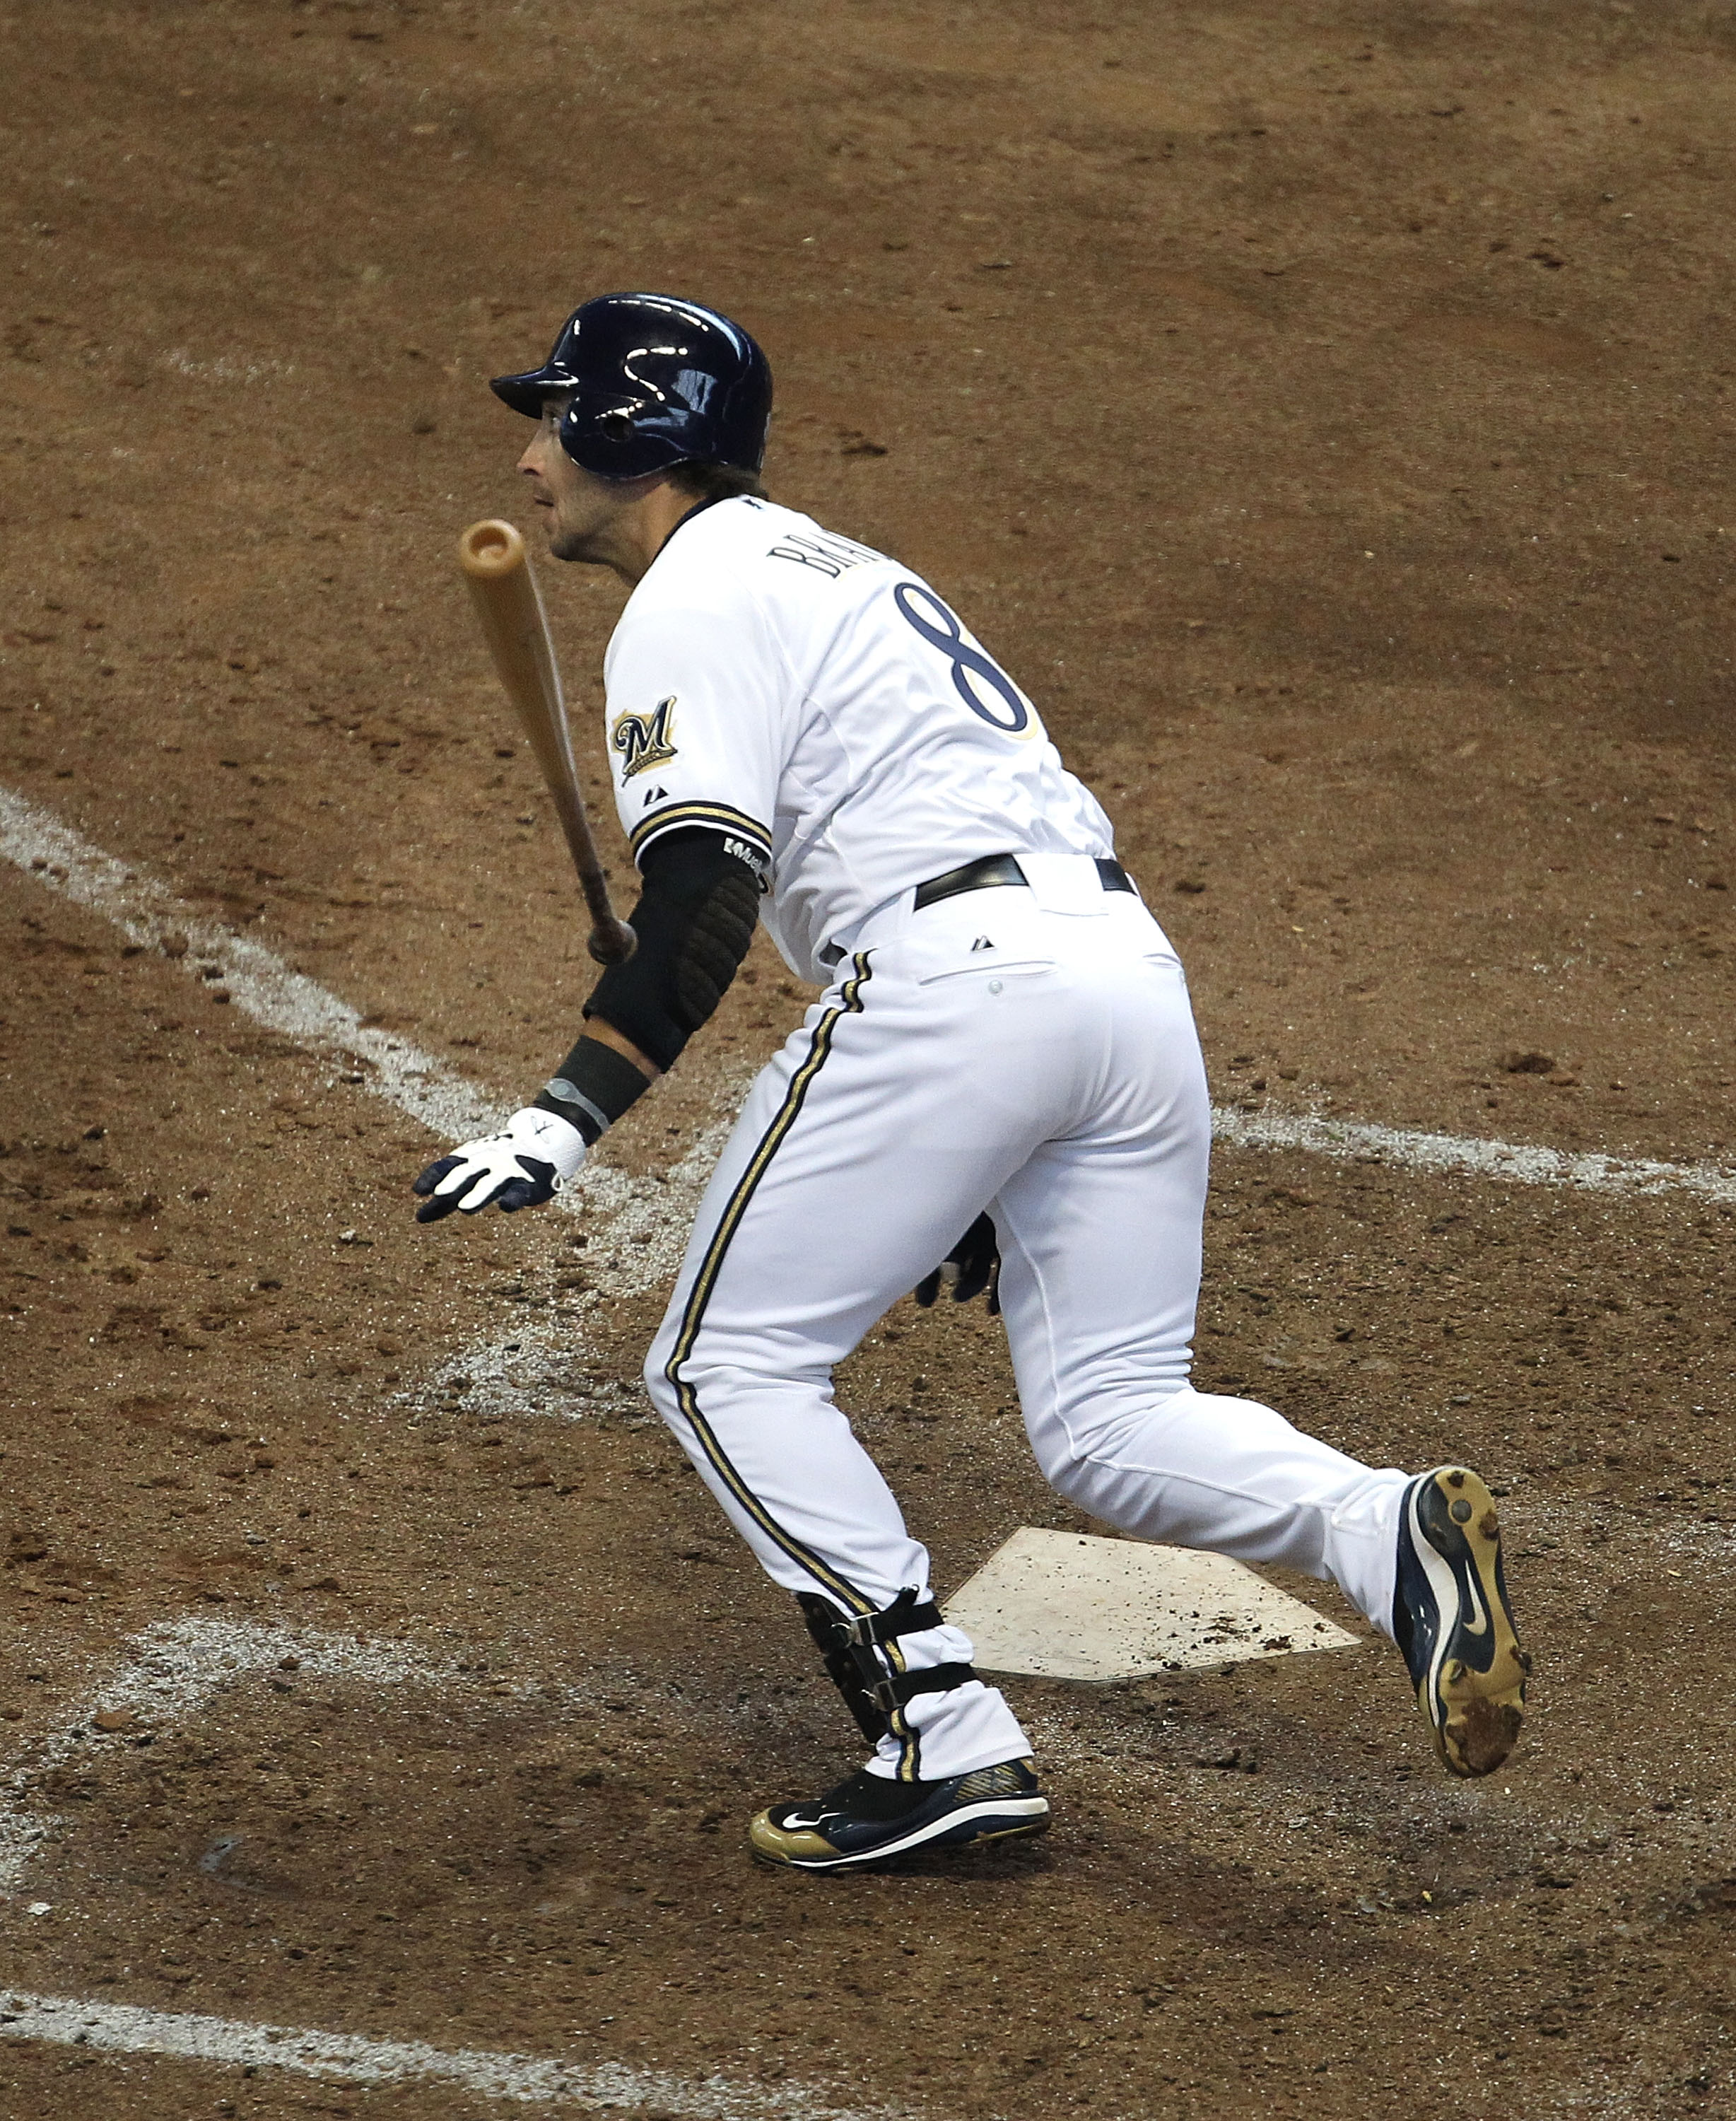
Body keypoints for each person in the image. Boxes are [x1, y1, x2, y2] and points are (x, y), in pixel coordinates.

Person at [413, 291, 1530, 1872]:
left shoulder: (687, 604)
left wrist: (560, 1118)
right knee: (1109, 1419)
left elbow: (706, 902)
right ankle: (1376, 1523)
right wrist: (977, 1149)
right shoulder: (834, 568)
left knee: (721, 1367)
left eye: (554, 420)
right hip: (1120, 980)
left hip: (957, 989)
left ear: (628, 437)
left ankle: (942, 1737)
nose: (529, 458)